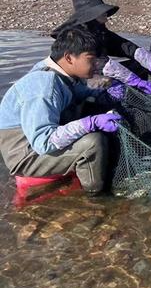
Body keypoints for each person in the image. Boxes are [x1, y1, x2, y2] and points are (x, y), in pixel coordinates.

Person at [0, 26, 122, 194]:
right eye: (91, 60)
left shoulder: (62, 74)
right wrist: (89, 123)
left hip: (37, 143)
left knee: (91, 107)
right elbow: (43, 142)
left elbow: (80, 94)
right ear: (69, 58)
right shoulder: (44, 86)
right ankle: (95, 197)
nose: (96, 66)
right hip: (26, 155)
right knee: (92, 143)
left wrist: (106, 93)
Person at [52, 0, 151, 94]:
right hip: (83, 81)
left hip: (100, 71)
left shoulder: (99, 30)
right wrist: (135, 81)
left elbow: (127, 47)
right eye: (102, 13)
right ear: (91, 15)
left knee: (138, 65)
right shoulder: (78, 37)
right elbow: (102, 64)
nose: (106, 15)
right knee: (117, 85)